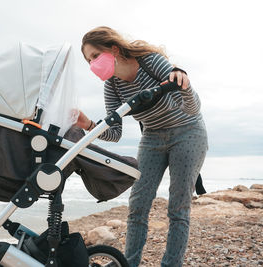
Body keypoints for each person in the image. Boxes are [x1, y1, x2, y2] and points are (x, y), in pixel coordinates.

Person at [76, 26, 208, 267]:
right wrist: (88, 124)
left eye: (95, 56)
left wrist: (186, 85)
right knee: (137, 206)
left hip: (188, 132)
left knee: (178, 208)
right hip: (152, 137)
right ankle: (129, 263)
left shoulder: (150, 62)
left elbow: (192, 109)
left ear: (113, 49)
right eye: (88, 61)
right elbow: (114, 132)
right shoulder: (112, 86)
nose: (92, 64)